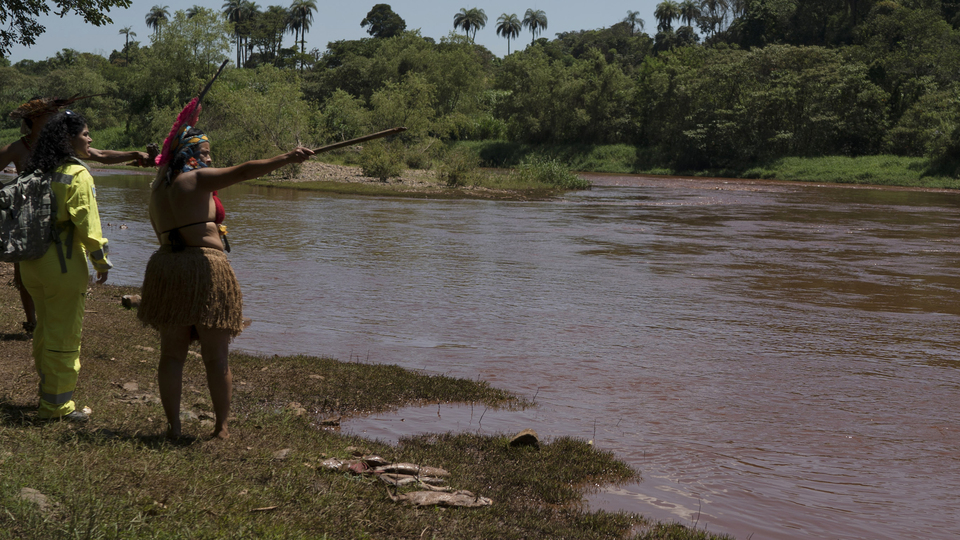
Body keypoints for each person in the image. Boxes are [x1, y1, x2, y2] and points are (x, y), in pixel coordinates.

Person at [137, 124, 314, 440]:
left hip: (167, 267)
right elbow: (243, 171)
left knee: (171, 354)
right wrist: (288, 157)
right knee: (216, 356)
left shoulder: (158, 187)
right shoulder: (196, 179)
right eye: (204, 153)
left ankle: (174, 427)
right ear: (188, 154)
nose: (209, 159)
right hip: (204, 268)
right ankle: (221, 428)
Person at [1, 96, 149, 335]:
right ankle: (32, 322)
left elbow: (100, 154)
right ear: (34, 118)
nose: (56, 117)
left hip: (53, 235)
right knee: (31, 287)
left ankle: (40, 328)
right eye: (51, 114)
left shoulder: (64, 148)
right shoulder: (17, 149)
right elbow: (88, 223)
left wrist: (134, 154)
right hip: (33, 228)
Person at [17, 109, 112, 422]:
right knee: (65, 336)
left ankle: (48, 393)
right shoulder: (76, 174)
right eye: (85, 134)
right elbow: (87, 223)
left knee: (46, 328)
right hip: (62, 264)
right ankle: (56, 406)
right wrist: (101, 261)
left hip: (31, 262)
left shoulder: (38, 168)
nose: (90, 139)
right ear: (68, 139)